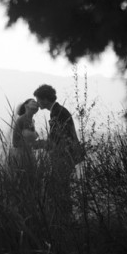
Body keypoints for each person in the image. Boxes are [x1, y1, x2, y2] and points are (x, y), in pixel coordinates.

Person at [33, 84, 83, 218]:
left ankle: (64, 217)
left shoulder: (57, 112)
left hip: (65, 155)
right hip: (67, 154)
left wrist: (38, 145)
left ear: (44, 99)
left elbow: (55, 138)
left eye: (38, 99)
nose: (37, 103)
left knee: (61, 187)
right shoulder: (58, 110)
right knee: (62, 186)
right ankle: (65, 216)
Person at [7, 98, 40, 177]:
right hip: (20, 155)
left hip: (28, 154)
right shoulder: (21, 120)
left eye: (36, 103)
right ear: (26, 106)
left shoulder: (31, 121)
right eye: (33, 102)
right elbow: (15, 142)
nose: (35, 104)